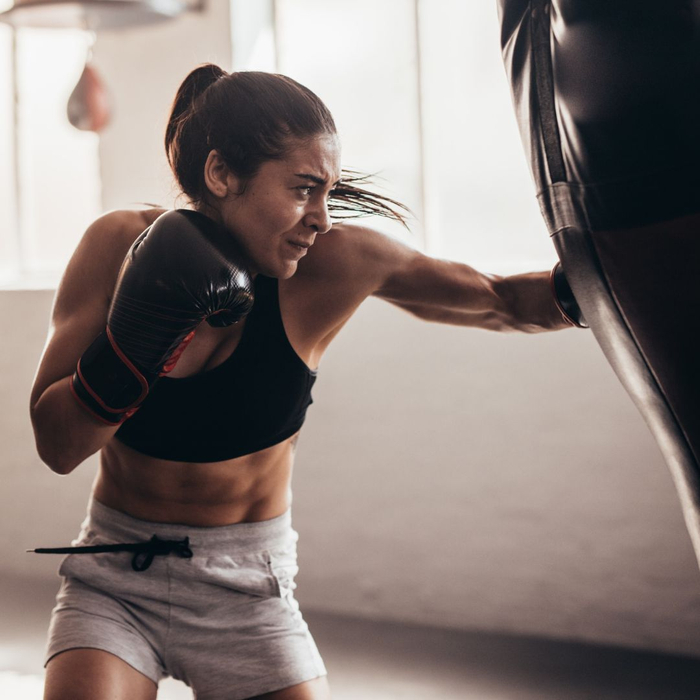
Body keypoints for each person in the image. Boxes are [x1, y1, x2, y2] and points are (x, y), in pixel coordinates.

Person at [29, 64, 585, 700]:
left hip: (248, 590)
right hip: (116, 575)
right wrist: (137, 341)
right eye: (302, 189)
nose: (321, 217)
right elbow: (58, 446)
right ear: (221, 175)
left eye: (329, 192)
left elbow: (500, 301)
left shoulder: (340, 264)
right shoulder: (116, 246)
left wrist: (616, 272)